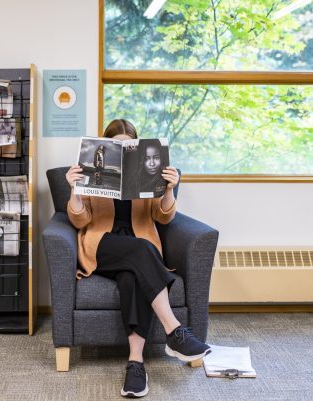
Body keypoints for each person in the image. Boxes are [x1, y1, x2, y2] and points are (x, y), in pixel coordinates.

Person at [65, 119, 210, 398]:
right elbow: (79, 219)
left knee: (133, 276)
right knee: (142, 250)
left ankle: (135, 364)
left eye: (125, 147)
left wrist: (169, 189)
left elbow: (163, 216)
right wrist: (74, 189)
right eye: (115, 146)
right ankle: (175, 331)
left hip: (137, 250)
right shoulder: (94, 169)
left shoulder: (146, 170)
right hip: (102, 245)